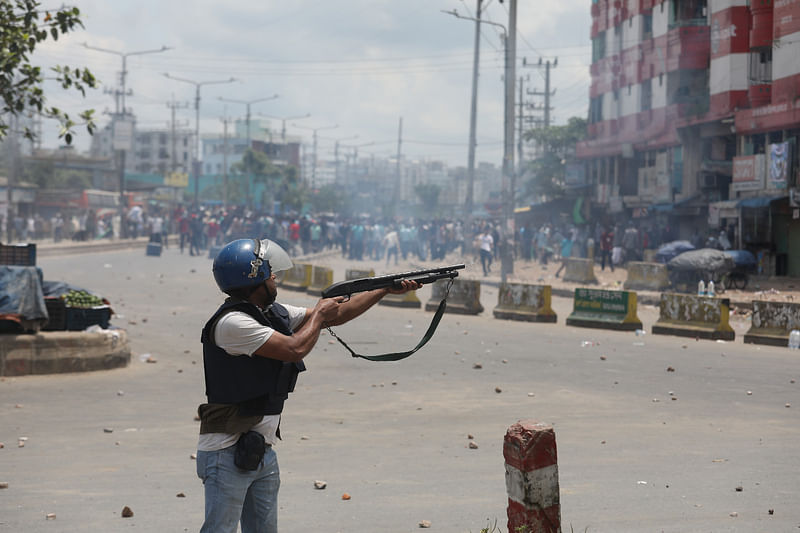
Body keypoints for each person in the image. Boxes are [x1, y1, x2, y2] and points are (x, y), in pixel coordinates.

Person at [196, 238, 419, 533]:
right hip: (226, 452)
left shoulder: (270, 313)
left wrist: (383, 289)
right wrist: (321, 315)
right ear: (255, 279)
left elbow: (335, 315)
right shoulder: (233, 323)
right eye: (269, 273)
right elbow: (294, 349)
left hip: (260, 448)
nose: (275, 277)